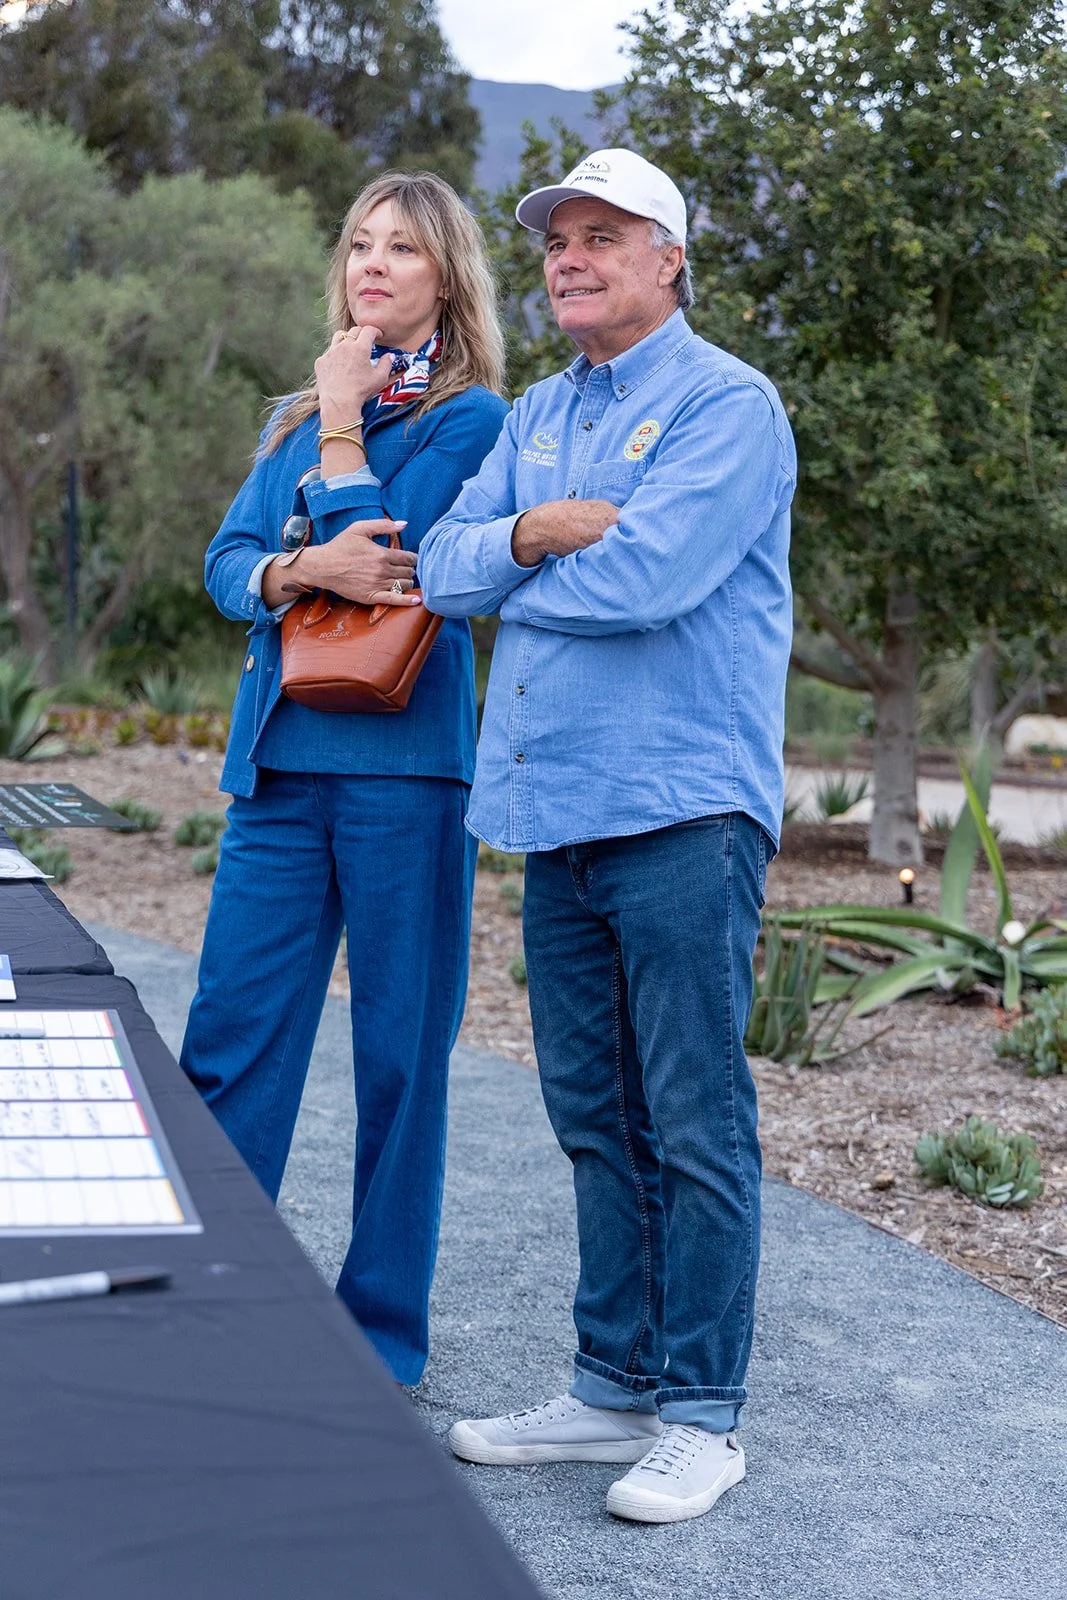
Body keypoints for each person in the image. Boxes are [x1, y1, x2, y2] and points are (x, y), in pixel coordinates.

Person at [418, 149, 796, 1522]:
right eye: (555, 241)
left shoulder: (726, 406)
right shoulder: (533, 416)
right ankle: (609, 1387)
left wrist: (508, 559)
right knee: (593, 1114)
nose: (567, 258)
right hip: (553, 811)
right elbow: (440, 567)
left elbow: (645, 580)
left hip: (681, 811)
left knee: (694, 1119)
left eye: (601, 236)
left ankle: (699, 1412)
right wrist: (532, 531)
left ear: (667, 258)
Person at [180, 172, 508, 1388]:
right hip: (275, 769)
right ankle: (212, 1304)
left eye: (404, 249)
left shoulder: (475, 422)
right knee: (230, 1039)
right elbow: (223, 563)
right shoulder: (292, 410)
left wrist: (335, 434)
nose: (375, 264)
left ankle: (379, 1341)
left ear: (445, 278)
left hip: (405, 775)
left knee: (398, 1056)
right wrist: (283, 571)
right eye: (361, 243)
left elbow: (386, 562)